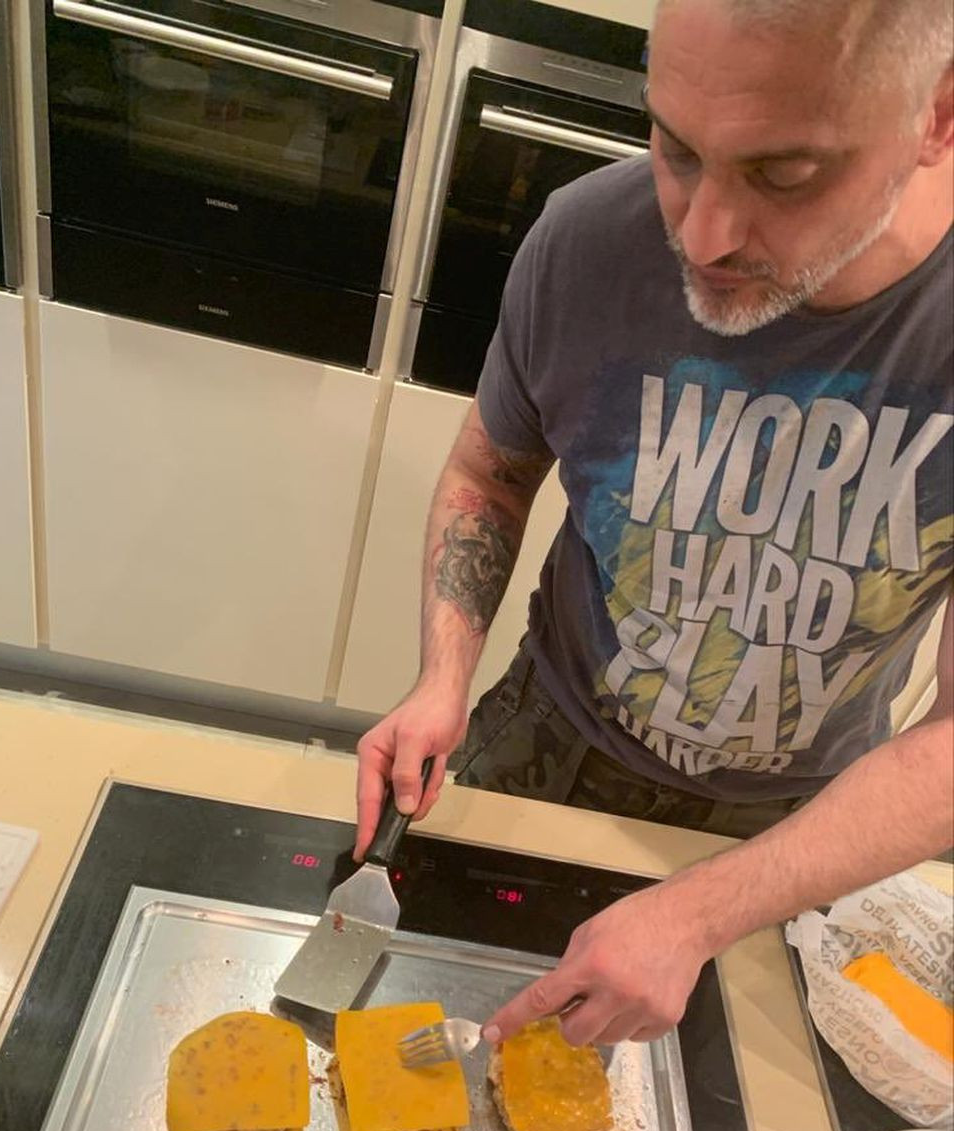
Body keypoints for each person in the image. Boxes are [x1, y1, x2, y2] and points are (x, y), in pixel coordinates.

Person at [355, 0, 954, 1049]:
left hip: (800, 823)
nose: (701, 236)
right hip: (548, 734)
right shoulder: (587, 240)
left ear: (936, 117)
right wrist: (441, 677)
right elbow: (491, 472)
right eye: (676, 148)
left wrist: (698, 912)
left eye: (783, 174)